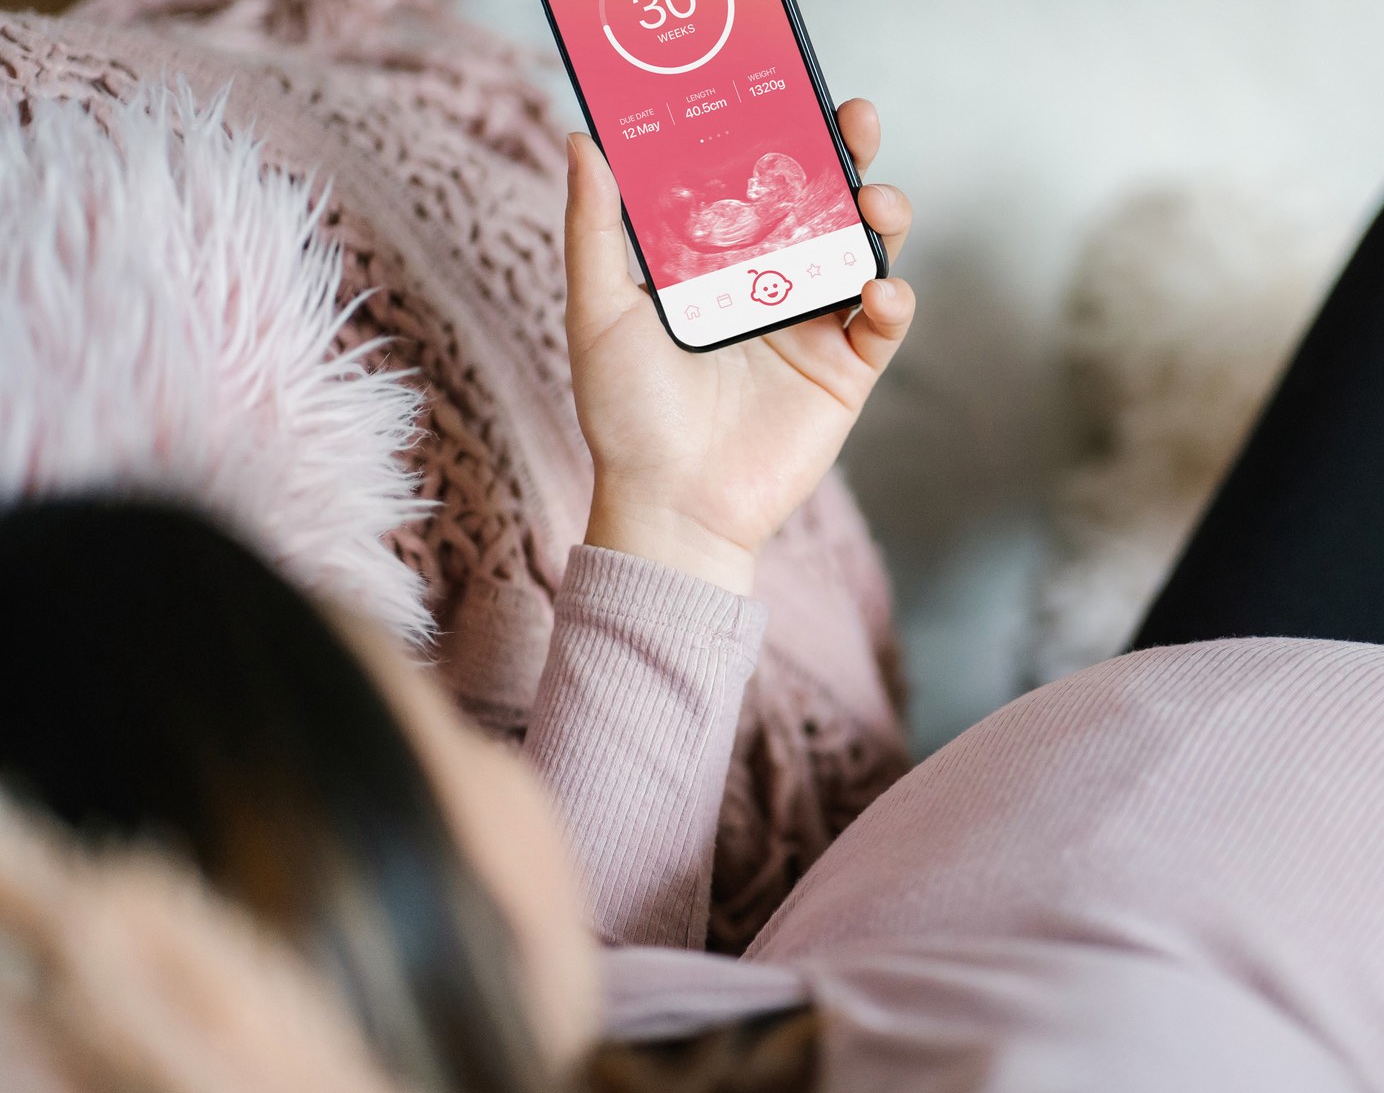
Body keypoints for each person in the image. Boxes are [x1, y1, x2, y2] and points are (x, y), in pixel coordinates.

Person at [7, 107, 1384, 1092]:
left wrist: (680, 510)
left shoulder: (533, 1017)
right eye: (407, 723)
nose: (455, 745)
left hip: (1228, 720)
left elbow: (581, 955)